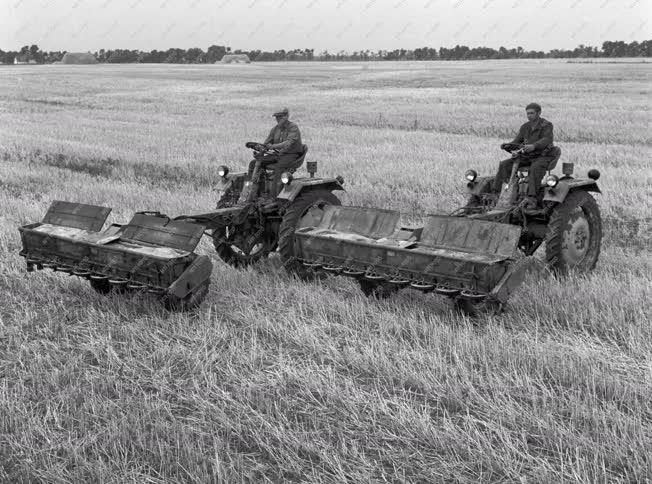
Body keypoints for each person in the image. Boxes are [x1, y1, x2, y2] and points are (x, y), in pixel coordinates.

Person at [494, 103, 555, 207]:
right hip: (528, 156)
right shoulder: (525, 127)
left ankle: (531, 197)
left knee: (535, 168)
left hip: (544, 156)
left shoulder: (547, 125)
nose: (529, 115)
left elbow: (547, 140)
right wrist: (508, 146)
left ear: (539, 113)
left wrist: (534, 146)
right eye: (527, 113)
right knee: (504, 164)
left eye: (532, 113)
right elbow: (517, 141)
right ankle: (498, 194)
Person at [248, 107, 304, 186]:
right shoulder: (275, 129)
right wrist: (260, 149)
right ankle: (252, 187)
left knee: (279, 167)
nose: (278, 119)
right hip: (278, 154)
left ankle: (273, 196)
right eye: (277, 117)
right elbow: (266, 144)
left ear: (286, 116)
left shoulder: (293, 127)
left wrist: (273, 146)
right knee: (254, 163)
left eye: (281, 116)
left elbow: (289, 142)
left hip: (291, 155)